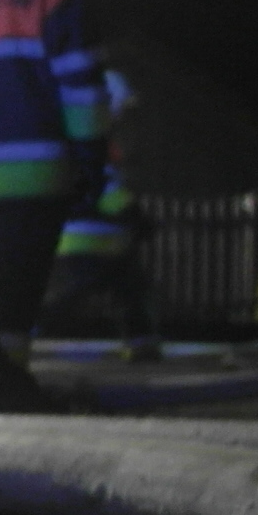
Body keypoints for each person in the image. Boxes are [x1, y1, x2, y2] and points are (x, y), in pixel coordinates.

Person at [0, 0, 110, 369]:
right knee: (16, 301)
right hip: (38, 177)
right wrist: (92, 162)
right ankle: (7, 383)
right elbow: (83, 94)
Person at [39, 72, 160, 362]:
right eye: (122, 110)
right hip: (89, 240)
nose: (126, 119)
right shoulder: (90, 140)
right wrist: (133, 215)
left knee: (126, 292)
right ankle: (21, 332)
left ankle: (141, 345)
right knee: (82, 296)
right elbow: (103, 185)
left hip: (101, 241)